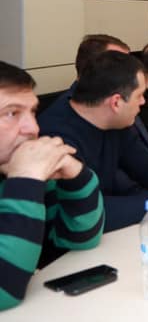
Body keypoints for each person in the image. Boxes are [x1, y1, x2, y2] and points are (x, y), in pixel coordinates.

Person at [38, 51, 148, 232]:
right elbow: (87, 212)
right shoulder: (57, 139)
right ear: (116, 103)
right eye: (139, 95)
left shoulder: (116, 120)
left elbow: (146, 164)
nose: (143, 102)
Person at [0, 61, 104, 311]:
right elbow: (5, 290)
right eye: (11, 113)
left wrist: (76, 176)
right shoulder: (24, 176)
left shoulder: (17, 171)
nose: (33, 128)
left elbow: (79, 240)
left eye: (32, 112)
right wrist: (25, 181)